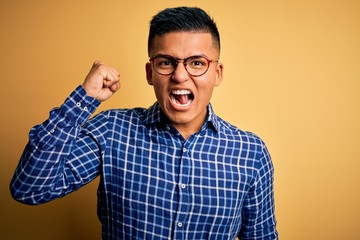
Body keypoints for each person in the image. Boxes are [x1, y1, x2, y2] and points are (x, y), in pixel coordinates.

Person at [10, 6, 278, 240]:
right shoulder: (111, 131)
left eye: (197, 63)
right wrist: (83, 99)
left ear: (217, 74)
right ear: (150, 73)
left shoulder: (251, 154)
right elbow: (30, 188)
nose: (180, 76)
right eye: (166, 63)